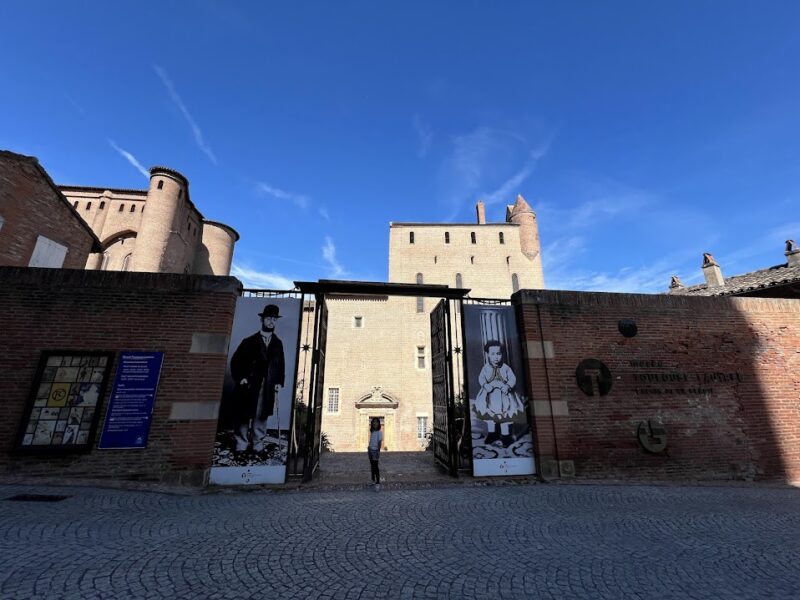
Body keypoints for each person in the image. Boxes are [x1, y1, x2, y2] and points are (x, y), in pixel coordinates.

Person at [229, 304, 285, 457]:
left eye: (274, 319)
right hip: (249, 385)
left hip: (266, 386)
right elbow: (236, 361)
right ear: (262, 319)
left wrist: (279, 382)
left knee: (261, 415)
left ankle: (258, 446)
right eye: (268, 318)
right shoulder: (249, 341)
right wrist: (241, 378)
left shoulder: (277, 343)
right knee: (243, 415)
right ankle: (241, 445)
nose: (271, 322)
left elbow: (281, 364)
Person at [474, 340, 525, 448]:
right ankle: (492, 434)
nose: (496, 357)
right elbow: (481, 378)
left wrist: (508, 386)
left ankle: (506, 436)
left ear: (502, 354)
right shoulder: (486, 368)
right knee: (490, 416)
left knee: (505, 416)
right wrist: (485, 385)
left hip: (504, 396)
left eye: (498, 354)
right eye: (492, 354)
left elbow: (512, 378)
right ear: (487, 355)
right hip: (490, 397)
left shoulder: (506, 368)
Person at [367, 417, 383, 485]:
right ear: (372, 423)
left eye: (376, 422)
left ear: (378, 423)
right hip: (370, 450)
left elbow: (379, 442)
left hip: (375, 451)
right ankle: (373, 480)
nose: (375, 423)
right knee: (372, 466)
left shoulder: (379, 432)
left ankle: (378, 481)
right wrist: (369, 447)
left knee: (375, 466)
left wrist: (378, 451)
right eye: (374, 422)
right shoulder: (372, 431)